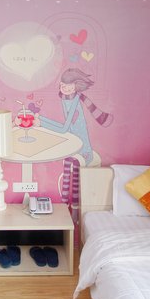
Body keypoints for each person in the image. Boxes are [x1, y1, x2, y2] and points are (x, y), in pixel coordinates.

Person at [36, 68, 112, 218]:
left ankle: (75, 212)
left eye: (68, 86)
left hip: (83, 150)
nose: (64, 88)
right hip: (73, 146)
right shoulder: (66, 99)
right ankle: (64, 206)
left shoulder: (75, 101)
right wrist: (40, 119)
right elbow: (66, 127)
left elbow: (63, 129)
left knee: (73, 168)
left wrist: (41, 122)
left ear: (76, 86)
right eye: (62, 85)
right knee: (66, 163)